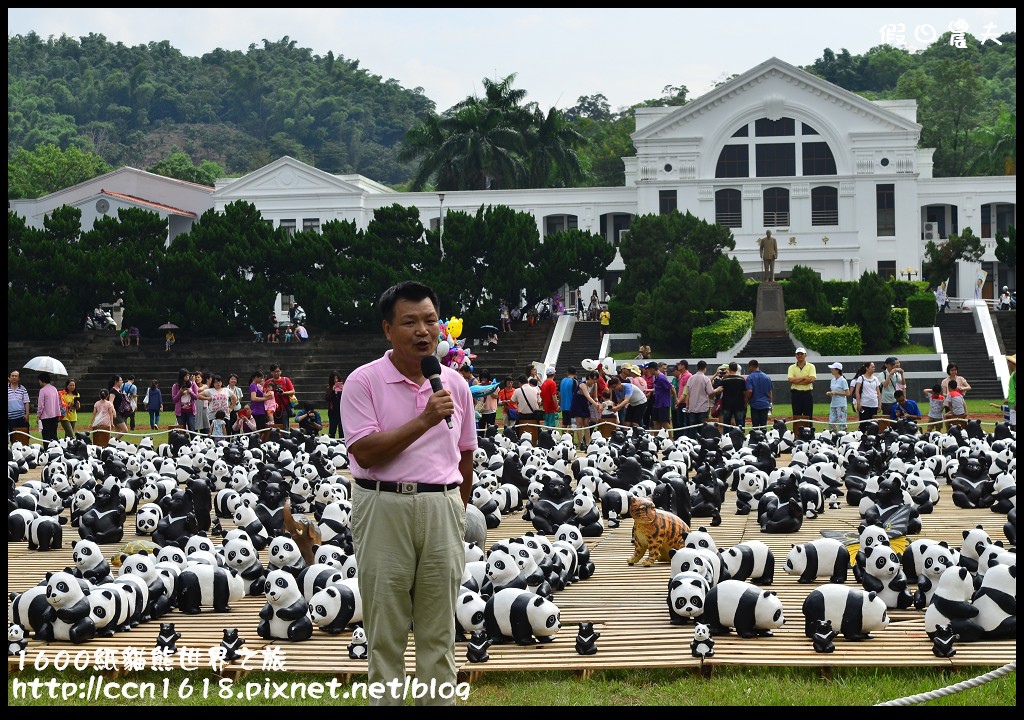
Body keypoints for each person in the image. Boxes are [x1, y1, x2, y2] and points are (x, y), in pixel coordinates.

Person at [340, 280, 475, 707]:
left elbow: (465, 454)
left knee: (439, 630)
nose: (423, 331)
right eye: (410, 322)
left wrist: (458, 505)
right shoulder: (363, 382)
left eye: (431, 320)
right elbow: (364, 451)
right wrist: (424, 420)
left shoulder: (454, 383)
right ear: (387, 329)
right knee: (386, 631)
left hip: (441, 507)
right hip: (382, 505)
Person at [683, 360, 720, 436]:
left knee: (692, 428)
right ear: (705, 368)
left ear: (697, 367)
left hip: (692, 407)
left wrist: (687, 405)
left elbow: (688, 393)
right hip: (703, 408)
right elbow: (710, 393)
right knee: (702, 429)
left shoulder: (690, 378)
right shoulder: (705, 379)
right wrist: (717, 390)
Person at [744, 360, 773, 432]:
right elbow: (770, 392)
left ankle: (755, 441)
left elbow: (750, 391)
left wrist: (746, 400)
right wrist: (771, 403)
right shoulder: (766, 377)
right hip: (765, 404)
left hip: (755, 404)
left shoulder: (750, 377)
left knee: (755, 426)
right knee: (764, 426)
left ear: (751, 366)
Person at [717, 362, 748, 431]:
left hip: (727, 404)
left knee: (726, 424)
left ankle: (726, 438)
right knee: (739, 423)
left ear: (729, 369)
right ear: (737, 369)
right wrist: (745, 402)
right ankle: (740, 438)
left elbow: (720, 390)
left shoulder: (724, 380)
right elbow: (744, 392)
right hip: (739, 404)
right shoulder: (741, 380)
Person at [787, 347, 816, 419]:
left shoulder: (811, 366)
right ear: (795, 355)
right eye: (798, 354)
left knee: (808, 415)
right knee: (796, 415)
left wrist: (796, 380)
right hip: (796, 394)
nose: (800, 356)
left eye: (801, 354)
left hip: (807, 393)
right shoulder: (791, 367)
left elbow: (811, 379)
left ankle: (809, 430)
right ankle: (797, 430)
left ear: (805, 355)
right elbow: (791, 379)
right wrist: (804, 378)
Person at [265, 364, 296, 429]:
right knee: (273, 427)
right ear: (271, 372)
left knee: (285, 426)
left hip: (284, 407)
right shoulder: (268, 382)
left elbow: (293, 391)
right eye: (274, 371)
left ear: (281, 371)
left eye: (278, 371)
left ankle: (285, 437)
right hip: (272, 408)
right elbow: (264, 392)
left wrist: (283, 393)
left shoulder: (285, 380)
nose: (276, 373)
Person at [647, 361, 675, 432]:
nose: (649, 371)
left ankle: (671, 439)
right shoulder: (656, 377)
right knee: (656, 422)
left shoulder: (661, 378)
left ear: (653, 369)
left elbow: (671, 388)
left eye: (649, 369)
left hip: (663, 403)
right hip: (657, 403)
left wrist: (676, 398)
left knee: (664, 423)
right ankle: (656, 439)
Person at [36, 372, 62, 442]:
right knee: (54, 435)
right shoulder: (54, 388)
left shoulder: (42, 390)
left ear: (42, 380)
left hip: (46, 416)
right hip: (55, 415)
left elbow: (41, 405)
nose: (39, 382)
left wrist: (38, 415)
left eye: (39, 380)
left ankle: (47, 450)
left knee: (46, 437)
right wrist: (59, 413)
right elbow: (58, 402)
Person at [825, 362, 850, 432]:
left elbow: (847, 393)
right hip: (833, 404)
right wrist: (830, 393)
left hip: (841, 404)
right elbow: (833, 390)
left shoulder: (843, 380)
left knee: (842, 423)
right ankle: (833, 436)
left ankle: (844, 436)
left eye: (832, 369)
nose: (831, 370)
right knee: (831, 422)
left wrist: (836, 393)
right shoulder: (832, 380)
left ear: (837, 370)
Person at [172, 368, 199, 433]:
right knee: (182, 431)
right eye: (186, 376)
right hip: (180, 412)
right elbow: (174, 400)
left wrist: (190, 392)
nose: (187, 377)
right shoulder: (176, 386)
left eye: (188, 375)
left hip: (190, 412)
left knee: (192, 430)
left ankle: (193, 442)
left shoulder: (192, 384)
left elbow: (196, 397)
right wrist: (180, 393)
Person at [7, 370, 31, 438]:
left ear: (19, 378)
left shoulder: (23, 389)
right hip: (10, 417)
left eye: (16, 376)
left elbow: (26, 402)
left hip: (21, 417)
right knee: (13, 437)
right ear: (9, 377)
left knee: (23, 436)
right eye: (12, 376)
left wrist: (27, 414)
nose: (14, 377)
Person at [324, 371, 345, 439]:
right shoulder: (329, 388)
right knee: (332, 430)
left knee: (342, 431)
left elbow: (346, 398)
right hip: (333, 412)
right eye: (334, 379)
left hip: (341, 411)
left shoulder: (343, 388)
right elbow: (327, 398)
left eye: (337, 378)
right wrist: (333, 391)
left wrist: (342, 391)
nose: (336, 380)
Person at [1003, 354, 1016, 429]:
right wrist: (1008, 398)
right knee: (1012, 425)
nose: (1008, 364)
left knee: (1014, 426)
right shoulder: (1013, 374)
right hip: (1012, 403)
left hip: (1014, 403)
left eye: (1009, 362)